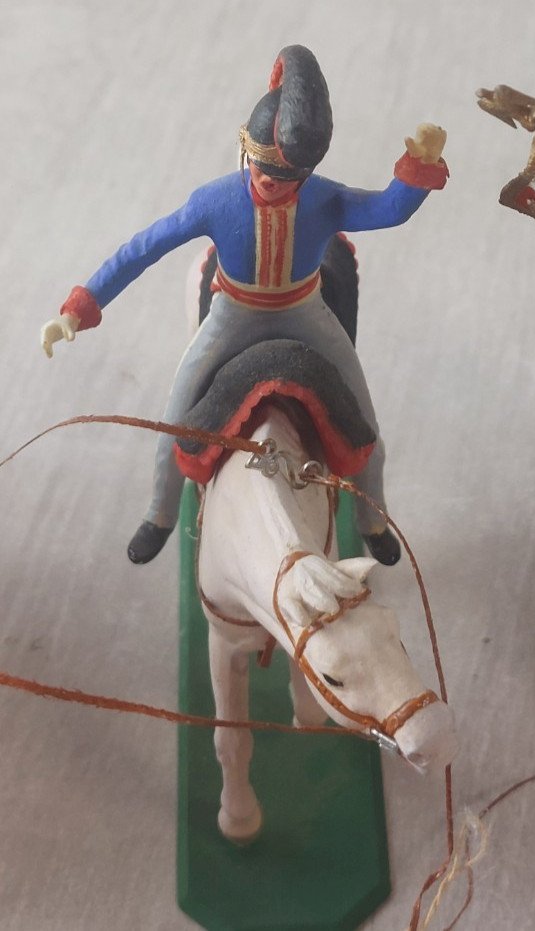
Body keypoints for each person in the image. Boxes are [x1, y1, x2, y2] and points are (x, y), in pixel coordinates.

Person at [41, 45, 448, 566]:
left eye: (285, 177)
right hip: (231, 316)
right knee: (174, 419)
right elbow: (143, 248)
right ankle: (160, 513)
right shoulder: (216, 200)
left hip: (307, 314)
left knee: (365, 421)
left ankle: (372, 519)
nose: (270, 182)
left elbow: (387, 209)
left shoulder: (323, 198)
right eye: (261, 168)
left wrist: (419, 168)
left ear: (305, 173)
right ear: (245, 152)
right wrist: (79, 308)